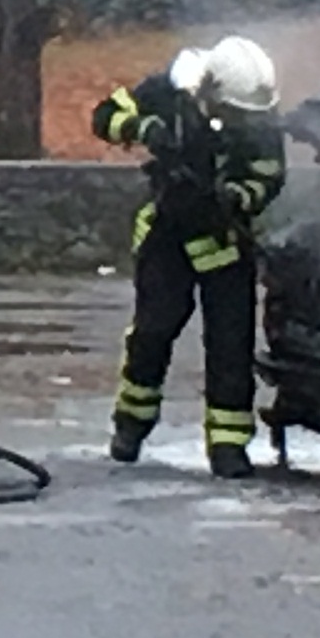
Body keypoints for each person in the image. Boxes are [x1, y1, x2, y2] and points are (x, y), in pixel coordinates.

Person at [92, 34, 288, 479]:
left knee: (231, 344)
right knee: (153, 332)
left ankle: (228, 446)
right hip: (169, 230)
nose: (242, 120)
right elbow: (104, 116)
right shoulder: (167, 92)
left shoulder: (257, 113)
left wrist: (239, 197)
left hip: (224, 237)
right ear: (211, 91)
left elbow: (270, 173)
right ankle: (131, 426)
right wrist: (145, 130)